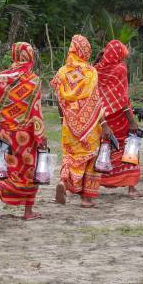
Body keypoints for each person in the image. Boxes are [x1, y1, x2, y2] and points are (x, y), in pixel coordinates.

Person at [0, 42, 47, 221]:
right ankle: (28, 212)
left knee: (4, 168)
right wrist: (40, 135)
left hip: (6, 132)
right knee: (28, 170)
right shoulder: (33, 80)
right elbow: (36, 111)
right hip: (26, 135)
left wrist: (6, 117)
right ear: (30, 56)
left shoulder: (2, 77)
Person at [51, 35, 112, 208]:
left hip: (69, 124)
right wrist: (104, 124)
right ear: (85, 51)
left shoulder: (62, 72)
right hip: (90, 125)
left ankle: (63, 182)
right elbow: (96, 101)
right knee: (90, 158)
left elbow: (59, 101)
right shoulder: (90, 72)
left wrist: (65, 119)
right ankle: (86, 198)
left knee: (70, 156)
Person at [94, 40, 143, 198]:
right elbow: (123, 98)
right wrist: (132, 121)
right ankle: (131, 187)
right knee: (129, 149)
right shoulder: (120, 68)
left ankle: (94, 184)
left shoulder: (95, 69)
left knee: (103, 150)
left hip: (101, 119)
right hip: (120, 119)